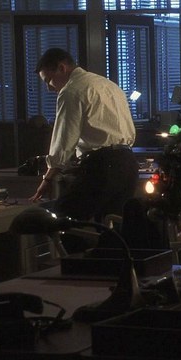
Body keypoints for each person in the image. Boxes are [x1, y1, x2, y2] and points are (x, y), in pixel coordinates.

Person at [29, 48, 139, 229]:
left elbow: (64, 140)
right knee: (112, 226)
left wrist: (47, 178)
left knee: (64, 218)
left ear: (62, 68)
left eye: (49, 80)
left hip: (102, 166)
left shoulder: (71, 91)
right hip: (128, 163)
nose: (49, 87)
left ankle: (71, 249)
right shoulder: (109, 85)